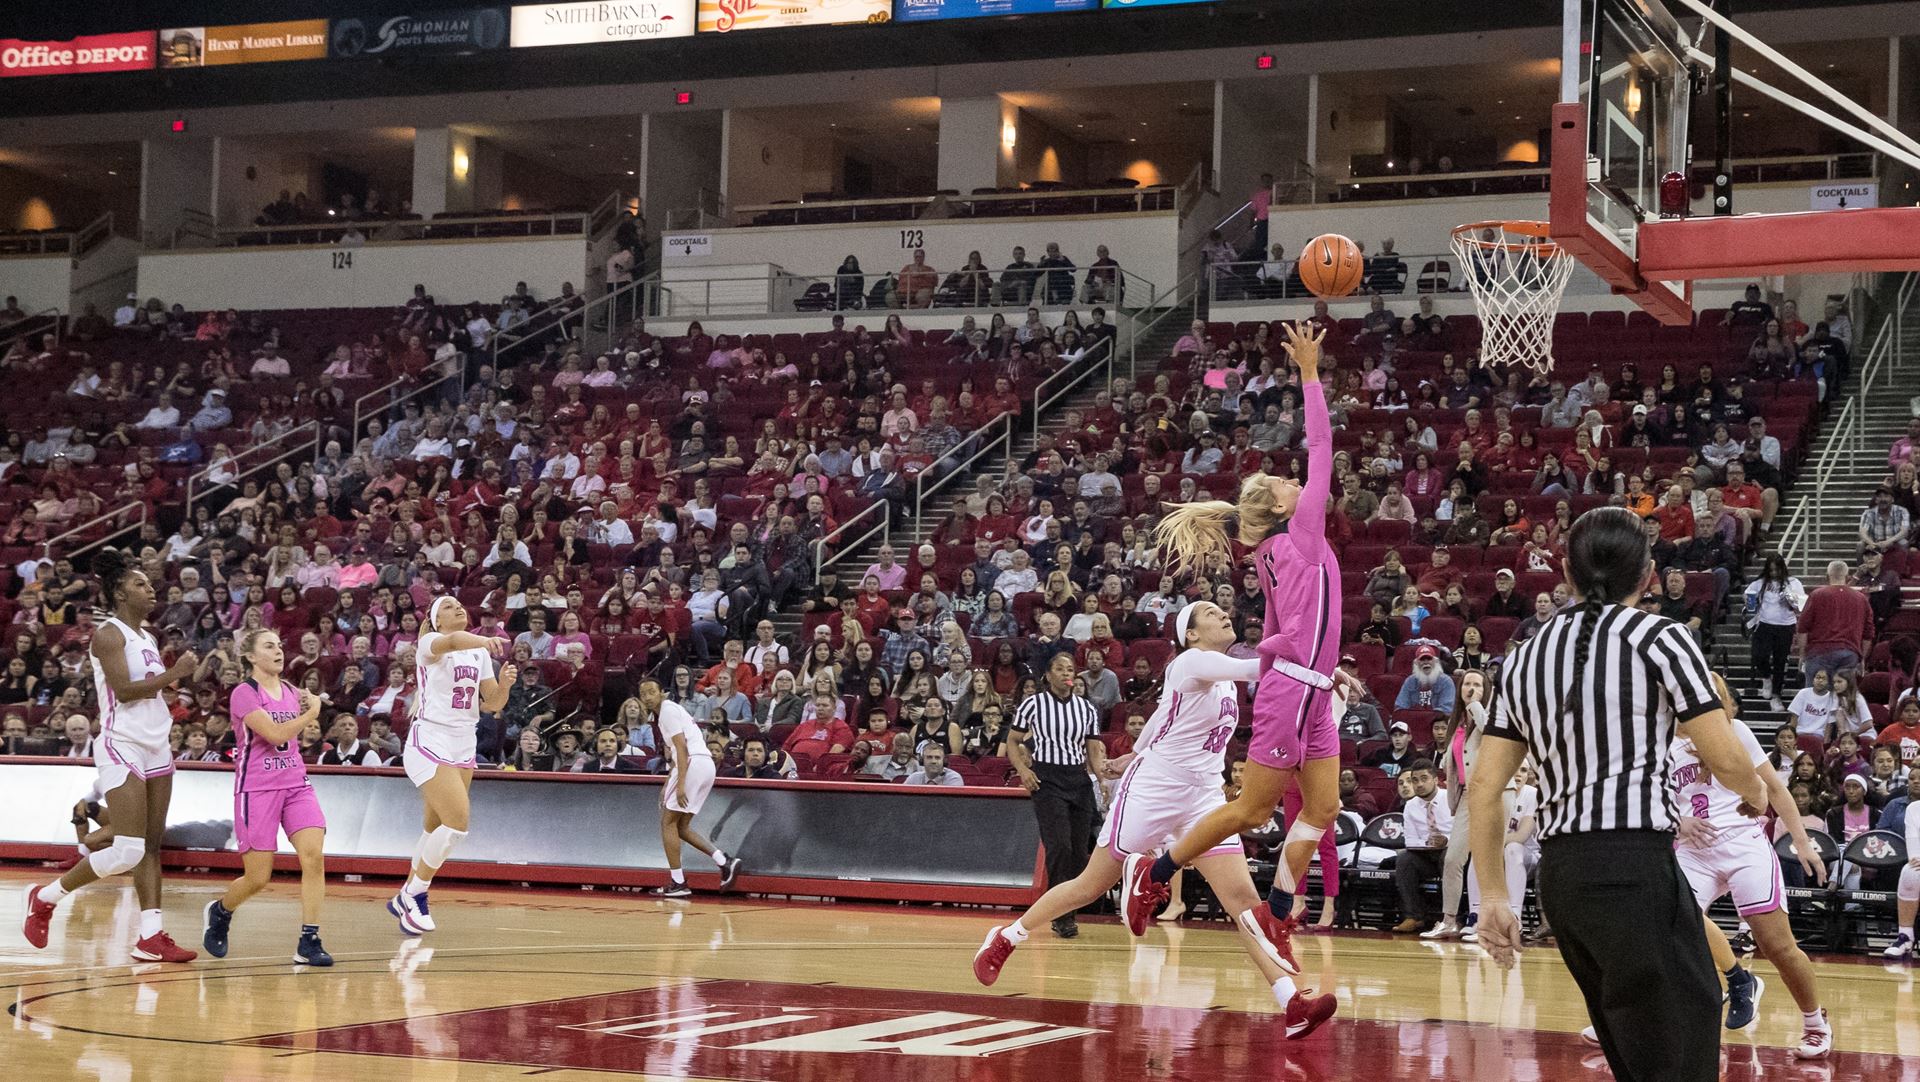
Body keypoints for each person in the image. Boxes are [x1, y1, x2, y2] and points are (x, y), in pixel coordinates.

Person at [1470, 506, 1767, 1082]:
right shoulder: (1661, 637)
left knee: (1636, 1042)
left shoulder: (1520, 659)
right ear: (1649, 574)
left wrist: (1492, 897)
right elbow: (1726, 755)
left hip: (1563, 879)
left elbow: (1485, 788)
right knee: (1682, 1038)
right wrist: (1755, 791)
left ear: (1565, 570)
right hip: (1633, 865)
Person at [972, 601, 1336, 1039]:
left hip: (1202, 794)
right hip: (1156, 788)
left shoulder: (1213, 673)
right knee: (1091, 884)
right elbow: (1264, 669)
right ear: (1191, 634)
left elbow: (1164, 714)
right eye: (1210, 611)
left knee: (1243, 902)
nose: (1224, 613)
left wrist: (1131, 752)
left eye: (1222, 610)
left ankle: (1291, 1003)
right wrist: (1320, 670)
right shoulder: (1193, 661)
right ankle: (1008, 936)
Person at [1126, 323, 1360, 973]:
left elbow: (1296, 627)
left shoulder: (1275, 548)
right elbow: (1322, 444)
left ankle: (1281, 913)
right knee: (1254, 809)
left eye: (1293, 481)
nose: (1298, 483)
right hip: (1290, 691)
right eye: (1287, 484)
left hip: (1311, 688)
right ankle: (1160, 870)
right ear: (1282, 506)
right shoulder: (1301, 533)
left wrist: (1324, 668)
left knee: (1324, 807)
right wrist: (1311, 372)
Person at [1581, 675, 1833, 1058]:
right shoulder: (1658, 741)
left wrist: (1801, 842)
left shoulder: (1735, 731)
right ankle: (1668, 1009)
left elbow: (1775, 789)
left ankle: (1815, 1021)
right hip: (1693, 849)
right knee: (1658, 933)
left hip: (1743, 843)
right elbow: (1647, 800)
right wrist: (1679, 822)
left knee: (1777, 945)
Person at [22, 548, 200, 962]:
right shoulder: (109, 634)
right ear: (120, 592)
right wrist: (175, 674)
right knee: (129, 848)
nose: (150, 588)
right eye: (140, 583)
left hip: (157, 744)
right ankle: (45, 898)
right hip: (122, 744)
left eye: (149, 583)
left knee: (151, 847)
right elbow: (122, 691)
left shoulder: (148, 637)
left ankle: (150, 936)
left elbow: (151, 687)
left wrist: (175, 686)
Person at [201, 629, 332, 966]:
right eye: (269, 646)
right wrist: (310, 715)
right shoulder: (243, 693)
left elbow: (292, 735)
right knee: (259, 877)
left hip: (296, 785)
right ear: (250, 656)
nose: (278, 650)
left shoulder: (291, 691)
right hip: (256, 789)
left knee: (313, 856)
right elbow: (274, 733)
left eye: (279, 645)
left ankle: (309, 939)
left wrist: (307, 707)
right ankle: (220, 911)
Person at [389, 597, 515, 935]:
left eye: (460, 604)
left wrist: (504, 685)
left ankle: (405, 894)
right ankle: (415, 893)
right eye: (447, 607)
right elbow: (458, 640)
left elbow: (492, 704)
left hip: (464, 741)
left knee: (435, 828)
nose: (458, 608)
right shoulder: (430, 644)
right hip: (430, 739)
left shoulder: (480, 653)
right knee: (458, 824)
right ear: (436, 620)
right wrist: (485, 639)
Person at [1008, 652, 1107, 938]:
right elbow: (1013, 741)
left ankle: (1067, 908)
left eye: (1071, 668)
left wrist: (1101, 778)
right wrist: (1022, 771)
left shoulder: (1087, 708)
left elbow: (1092, 749)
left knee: (1078, 851)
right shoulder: (1033, 704)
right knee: (1059, 846)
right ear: (1048, 674)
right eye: (1061, 668)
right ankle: (1061, 916)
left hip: (1077, 778)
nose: (1067, 672)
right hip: (1047, 779)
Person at [638, 678, 742, 896]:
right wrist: (668, 782)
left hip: (693, 763)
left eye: (651, 691)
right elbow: (678, 754)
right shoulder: (666, 713)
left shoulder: (666, 710)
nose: (647, 696)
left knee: (667, 822)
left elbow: (681, 748)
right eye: (643, 693)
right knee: (681, 827)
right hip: (704, 765)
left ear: (662, 693)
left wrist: (681, 784)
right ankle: (724, 861)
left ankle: (678, 883)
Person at [1421, 670, 1486, 940]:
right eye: (1467, 684)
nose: (1471, 688)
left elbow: (1491, 733)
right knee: (1453, 859)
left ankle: (1484, 920)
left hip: (1492, 795)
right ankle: (1449, 920)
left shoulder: (1491, 715)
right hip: (1467, 798)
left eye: (1477, 684)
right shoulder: (1456, 723)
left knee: (1488, 859)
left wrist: (1476, 705)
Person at [1391, 758, 1451, 933]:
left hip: (1451, 852)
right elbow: (1410, 840)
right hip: (1425, 855)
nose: (1418, 784)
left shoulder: (1450, 799)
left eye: (1424, 779)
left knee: (1449, 857)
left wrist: (1446, 840)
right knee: (1404, 859)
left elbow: (1466, 831)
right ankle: (1414, 916)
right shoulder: (1410, 805)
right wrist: (1429, 842)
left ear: (1435, 779)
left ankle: (1451, 916)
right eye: (1414, 780)